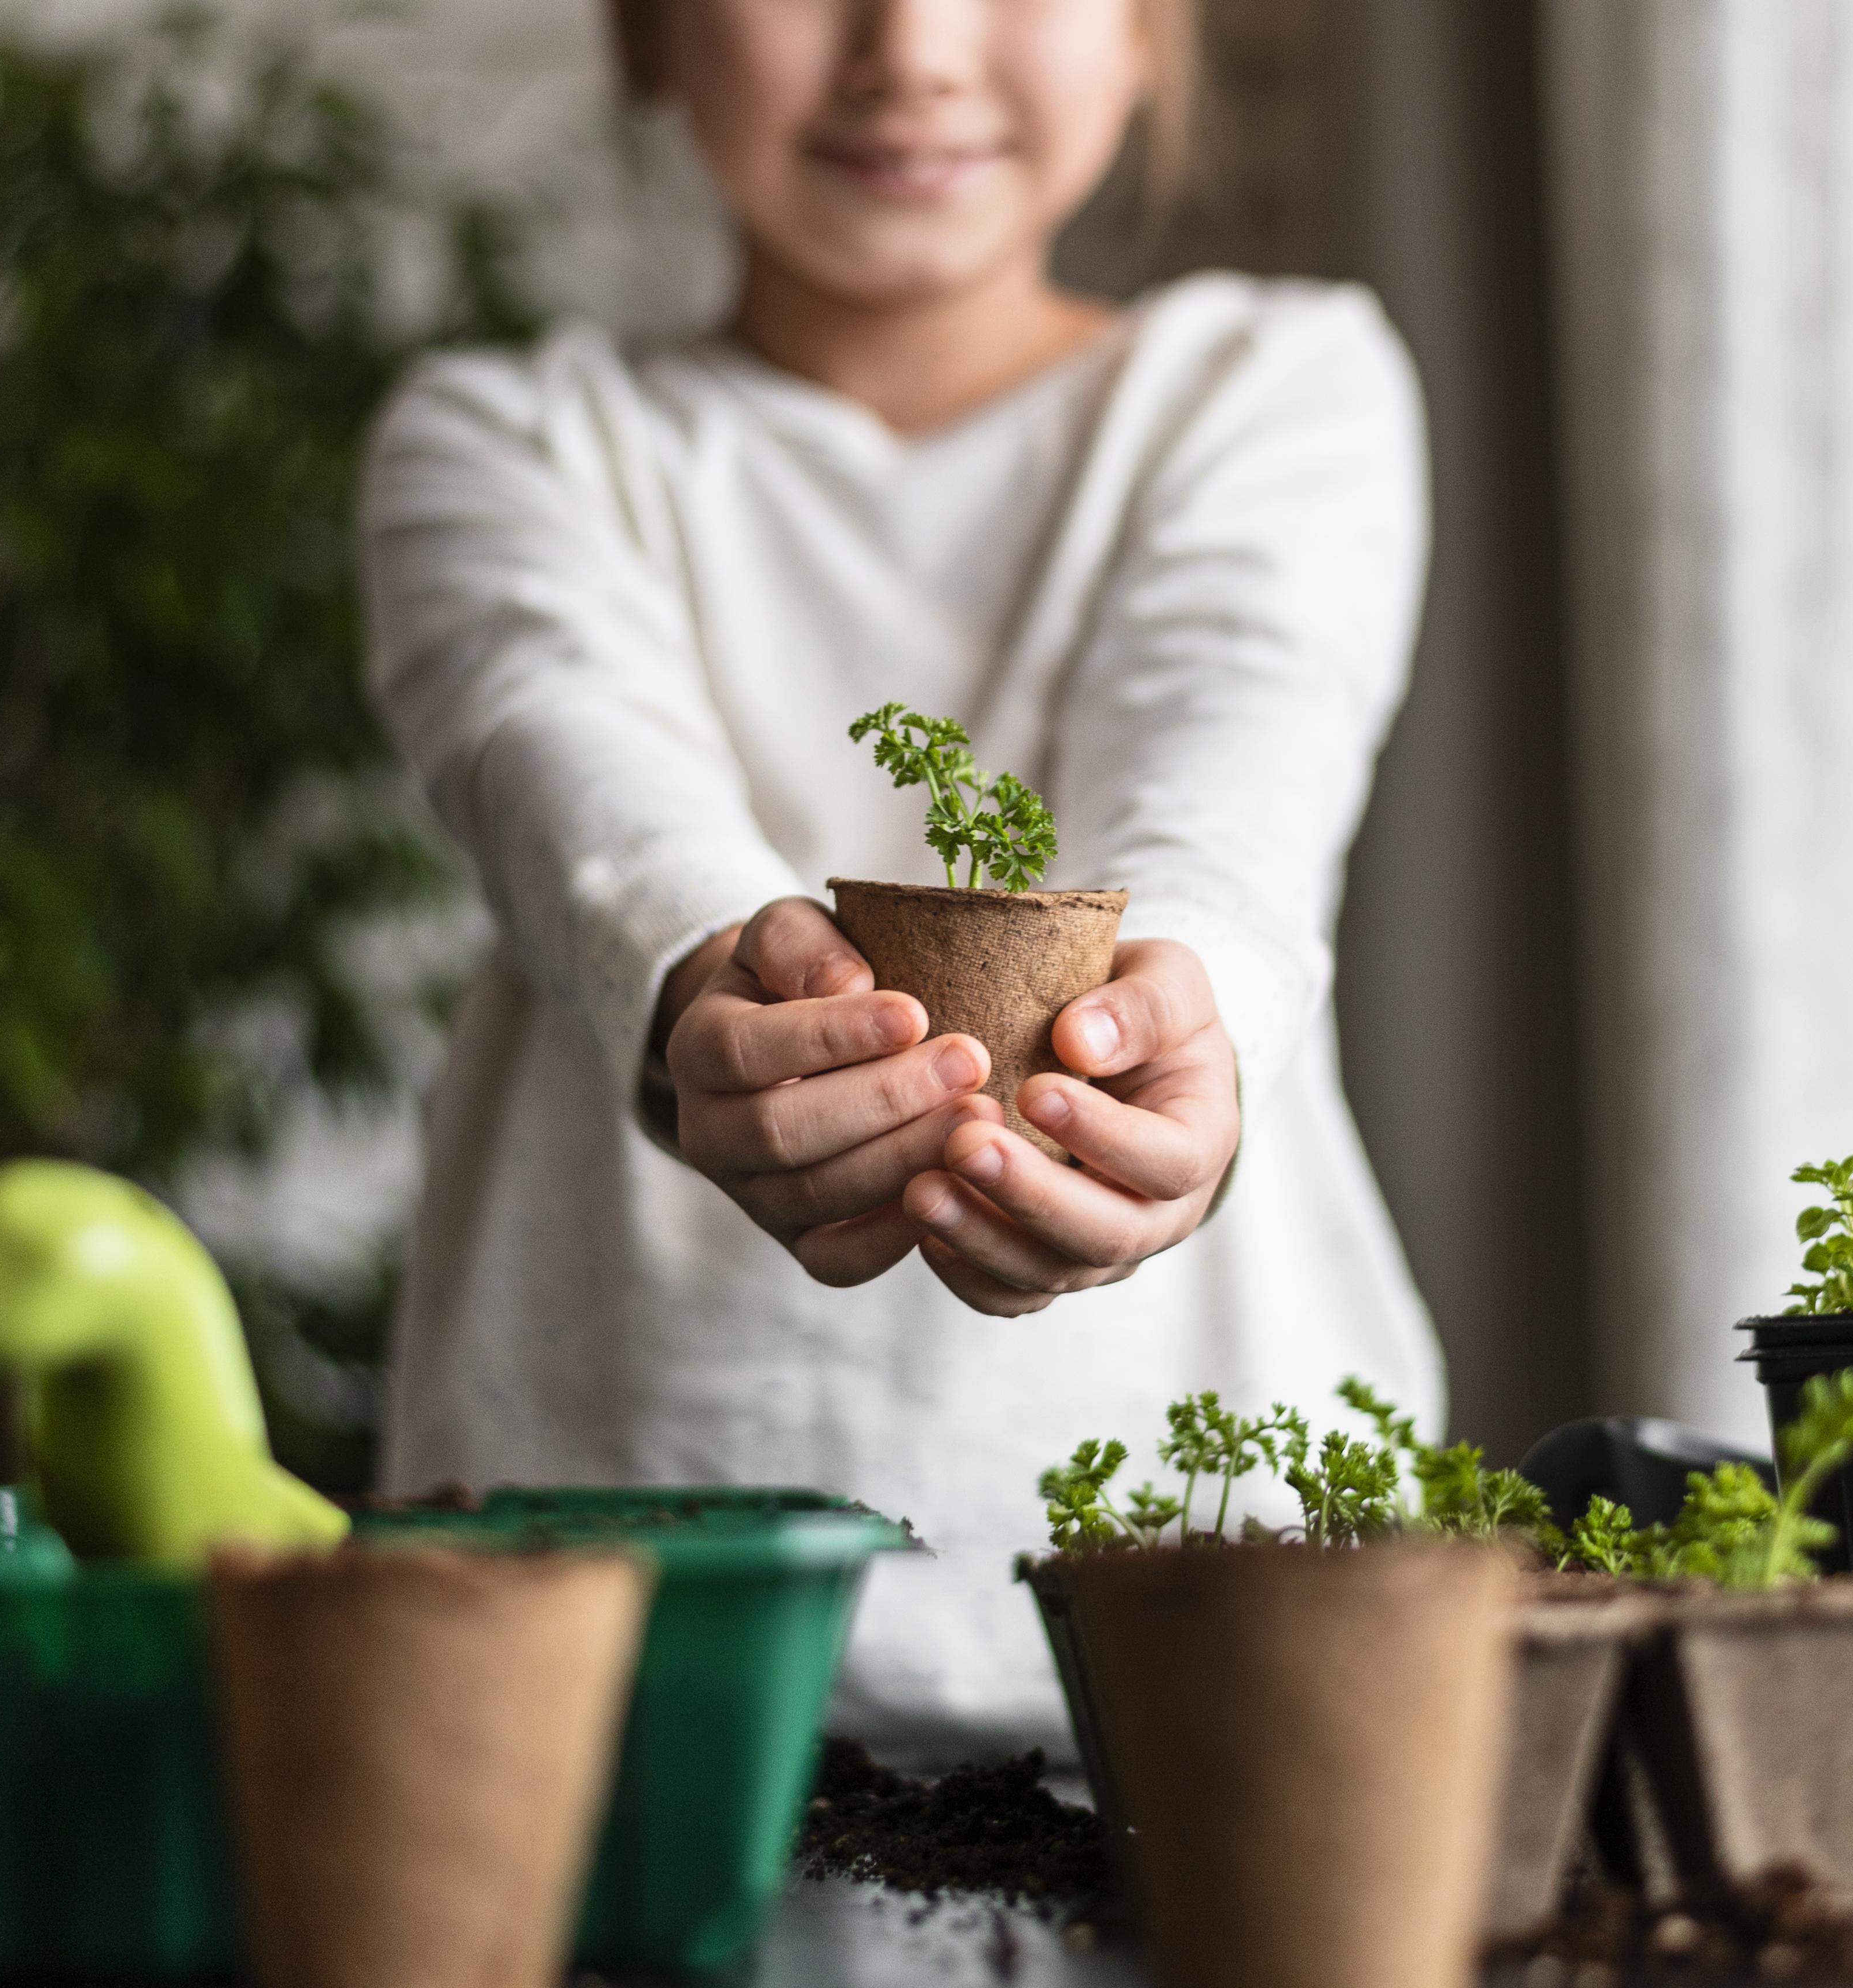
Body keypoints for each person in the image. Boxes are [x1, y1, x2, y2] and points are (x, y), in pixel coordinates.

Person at [364, 0, 1441, 1763]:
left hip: (1226, 1666)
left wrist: (1187, 1013)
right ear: (645, 33)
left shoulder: (1276, 384)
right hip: (593, 1677)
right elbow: (567, 763)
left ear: (1154, 35)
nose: (914, 46)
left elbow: (1238, 743)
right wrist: (706, 976)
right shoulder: (504, 441)